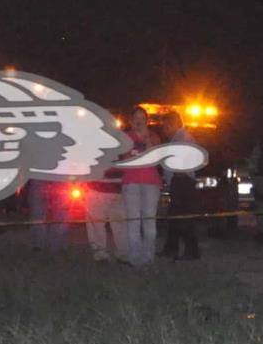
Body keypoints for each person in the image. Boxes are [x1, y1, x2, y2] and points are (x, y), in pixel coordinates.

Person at [116, 105, 163, 266]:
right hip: (131, 182)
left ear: (147, 121)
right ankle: (134, 258)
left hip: (151, 183)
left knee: (149, 220)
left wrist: (146, 138)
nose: (139, 122)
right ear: (131, 121)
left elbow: (154, 158)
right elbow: (125, 157)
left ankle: (148, 257)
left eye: (142, 119)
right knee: (133, 220)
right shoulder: (126, 137)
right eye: (136, 119)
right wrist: (136, 136)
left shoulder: (155, 137)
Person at [161, 110, 201, 260]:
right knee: (176, 217)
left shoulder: (182, 138)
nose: (165, 130)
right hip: (182, 181)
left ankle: (191, 251)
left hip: (182, 181)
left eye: (165, 126)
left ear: (172, 124)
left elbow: (179, 162)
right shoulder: (181, 137)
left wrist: (173, 177)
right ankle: (171, 248)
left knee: (183, 218)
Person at [84, 170, 126, 262]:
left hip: (99, 187)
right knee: (119, 224)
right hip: (118, 189)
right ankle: (122, 252)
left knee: (97, 224)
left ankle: (101, 252)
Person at [27, 180, 69, 252]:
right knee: (37, 210)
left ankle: (58, 244)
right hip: (39, 173)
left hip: (60, 174)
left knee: (62, 208)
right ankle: (38, 243)